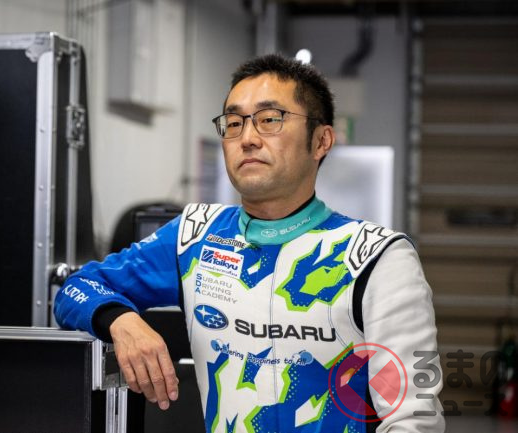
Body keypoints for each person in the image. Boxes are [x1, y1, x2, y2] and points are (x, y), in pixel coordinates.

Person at [55, 53, 444, 432]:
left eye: (270, 119)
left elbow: (414, 419)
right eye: (234, 122)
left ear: (321, 140)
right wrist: (121, 321)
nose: (247, 138)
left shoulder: (379, 258)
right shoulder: (195, 236)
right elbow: (76, 288)